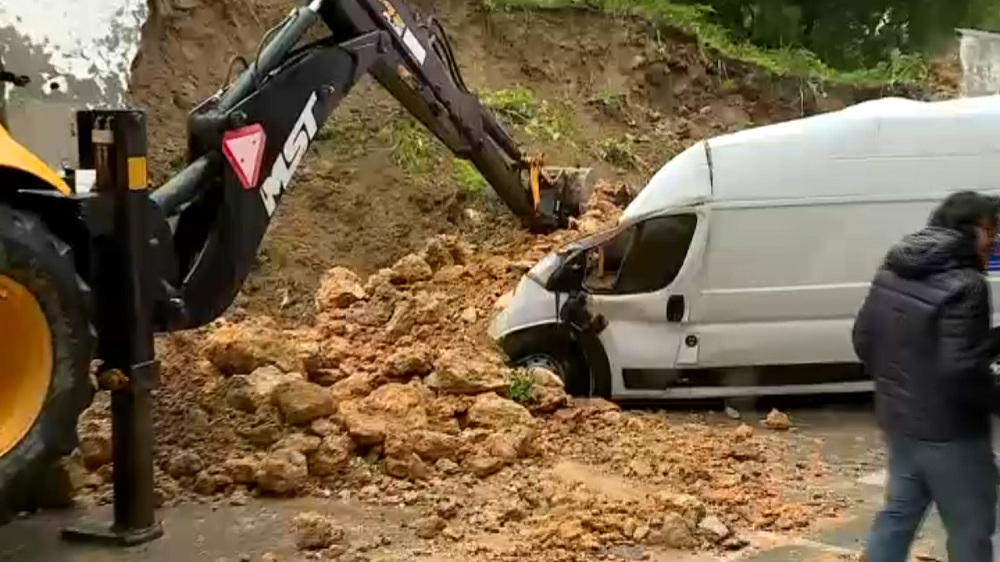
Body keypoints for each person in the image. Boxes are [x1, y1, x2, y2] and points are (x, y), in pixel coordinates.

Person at [853, 190, 1000, 562]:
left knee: (897, 516)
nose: (994, 240)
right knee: (971, 529)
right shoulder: (968, 285)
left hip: (899, 423)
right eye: (992, 231)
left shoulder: (894, 267)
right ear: (976, 231)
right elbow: (961, 372)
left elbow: (864, 340)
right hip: (952, 436)